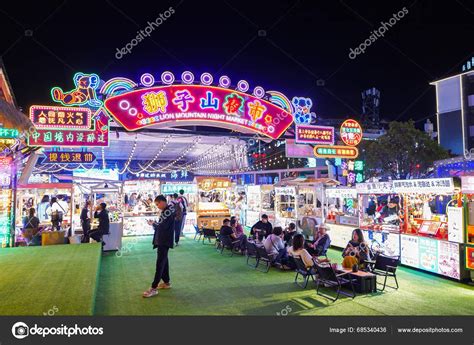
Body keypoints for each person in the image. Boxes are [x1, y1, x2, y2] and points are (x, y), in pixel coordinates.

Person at [143, 195, 176, 298]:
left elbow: (163, 226)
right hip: (163, 239)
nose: (157, 206)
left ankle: (153, 288)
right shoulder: (168, 210)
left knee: (160, 263)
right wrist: (154, 224)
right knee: (164, 261)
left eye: (157, 204)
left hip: (164, 240)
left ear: (162, 202)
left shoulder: (168, 211)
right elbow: (162, 225)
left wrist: (153, 224)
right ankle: (166, 282)